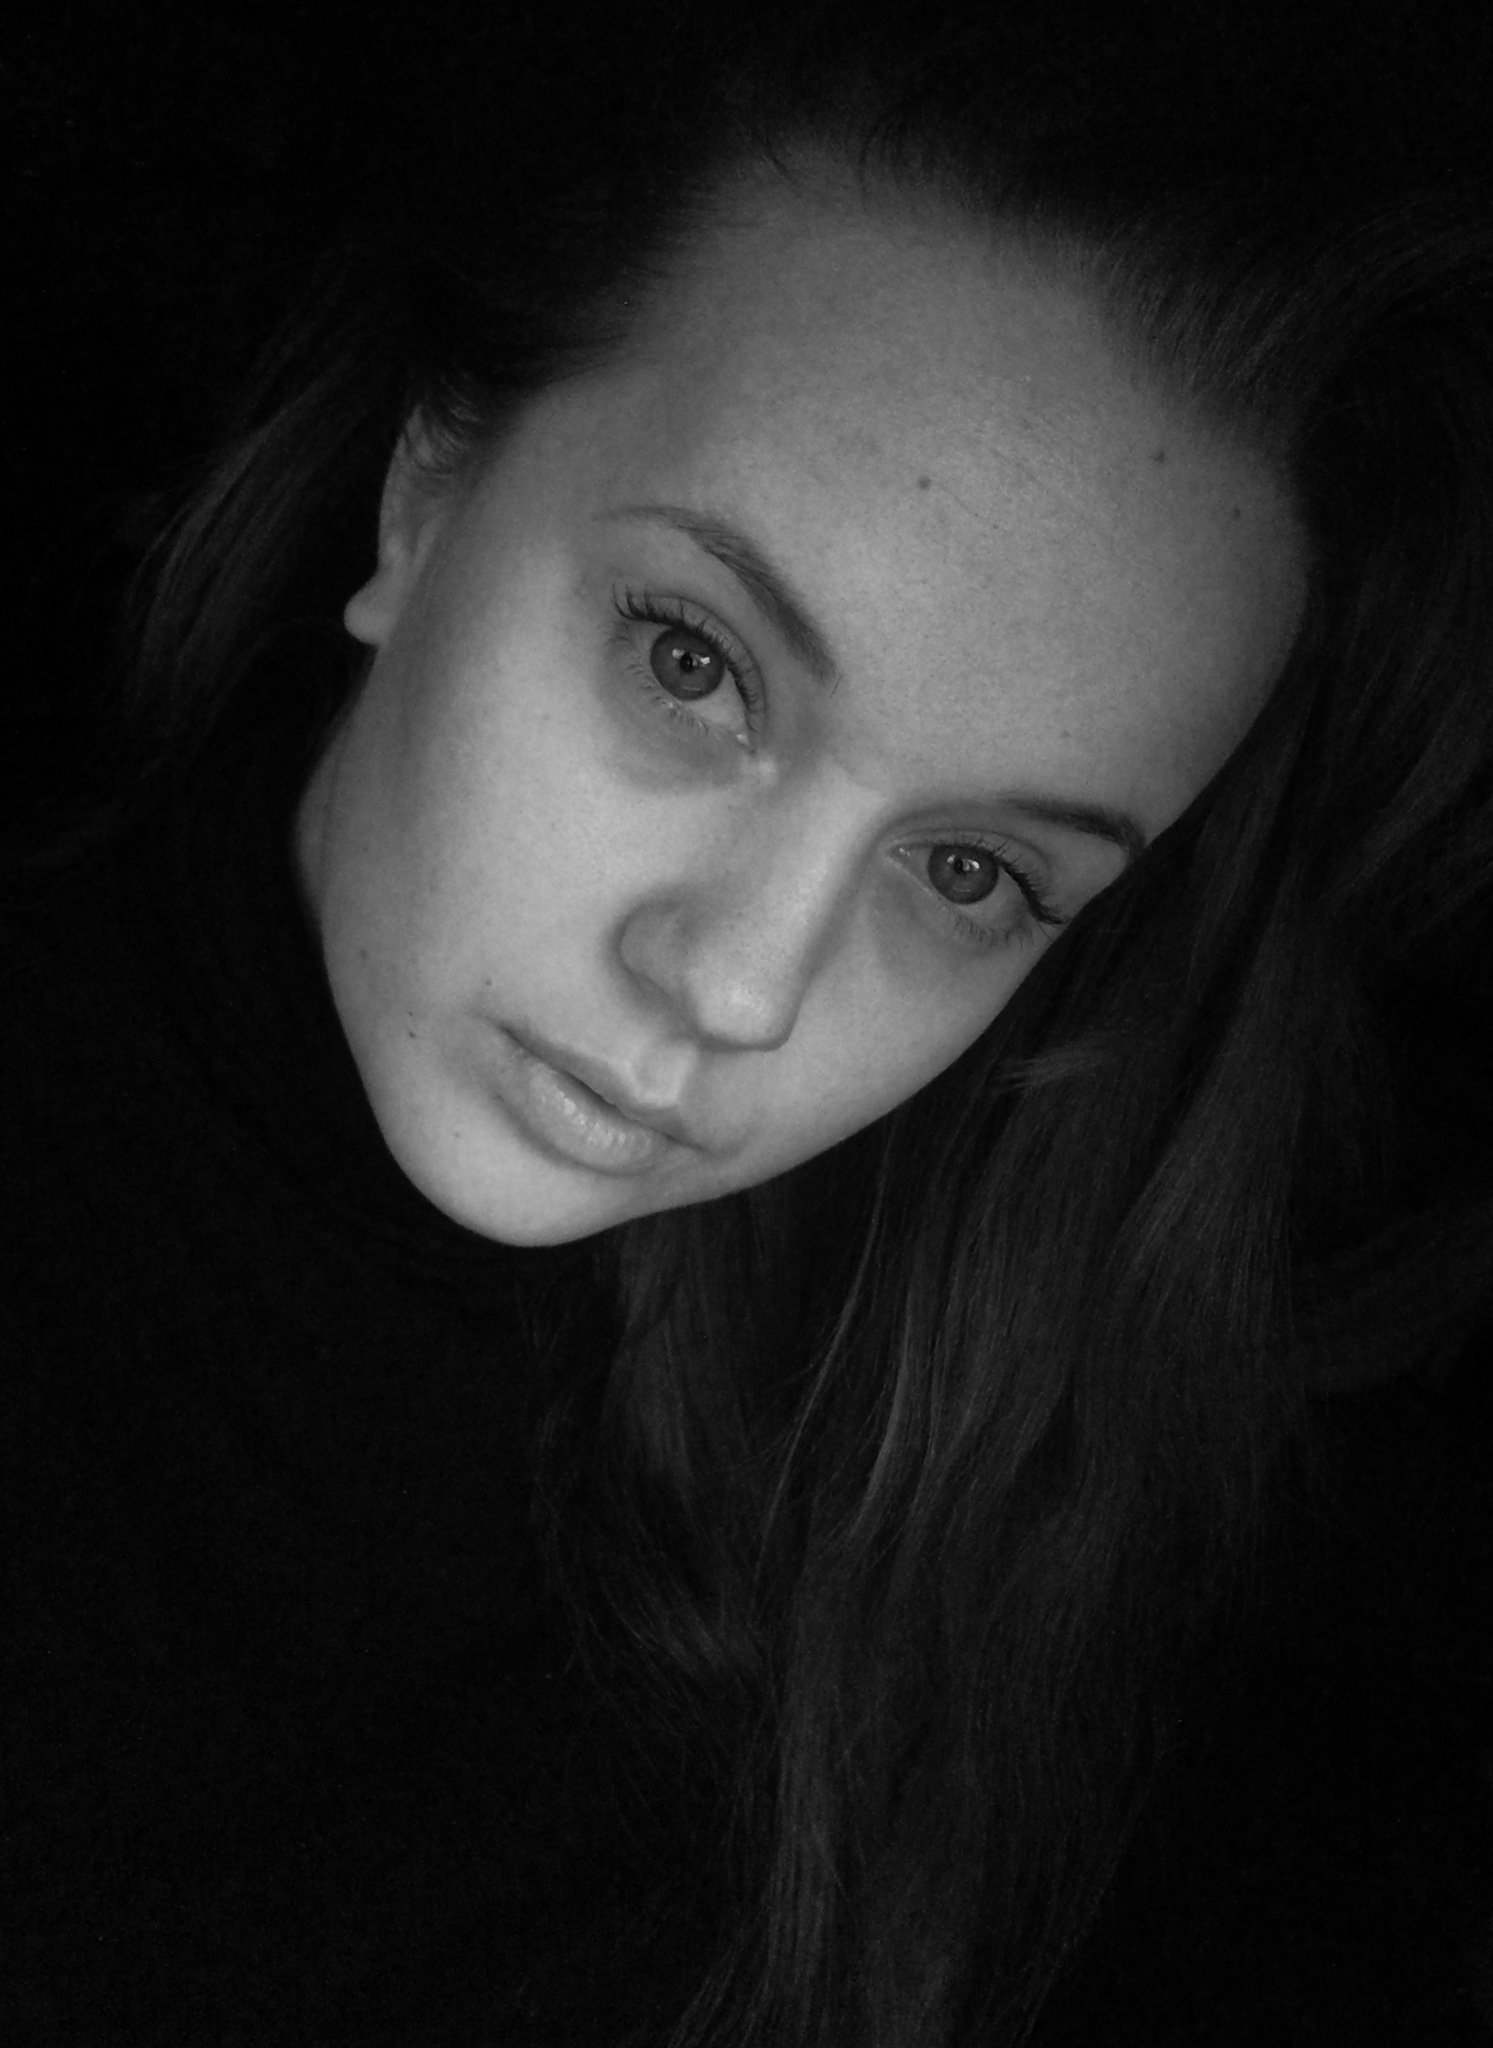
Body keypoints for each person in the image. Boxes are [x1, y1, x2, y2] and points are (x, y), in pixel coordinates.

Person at [3, 3, 1491, 2043]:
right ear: (430, 486)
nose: (738, 986)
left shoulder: (966, 1467)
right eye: (694, 662)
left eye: (968, 871)